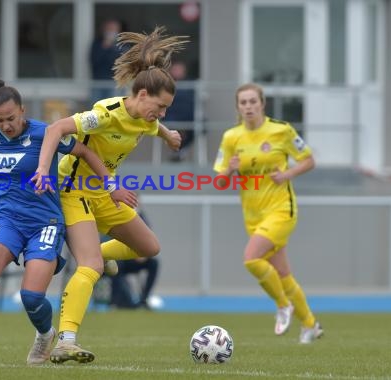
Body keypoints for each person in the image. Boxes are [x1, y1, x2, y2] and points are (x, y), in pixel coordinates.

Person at [32, 26, 187, 363]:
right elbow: (56, 129)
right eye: (160, 107)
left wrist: (168, 135)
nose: (161, 114)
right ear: (143, 95)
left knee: (149, 247)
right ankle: (66, 340)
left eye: (166, 110)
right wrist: (43, 170)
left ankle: (103, 256)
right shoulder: (104, 113)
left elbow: (150, 126)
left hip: (103, 192)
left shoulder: (146, 120)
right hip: (72, 192)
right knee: (88, 265)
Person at [0, 80, 117, 365]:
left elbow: (84, 153)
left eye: (10, 118)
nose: (5, 125)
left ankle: (45, 335)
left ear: (22, 110)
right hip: (7, 218)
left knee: (31, 297)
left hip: (45, 222)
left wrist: (110, 185)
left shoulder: (44, 134)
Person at [213, 83, 323, 344]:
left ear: (263, 104)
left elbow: (308, 159)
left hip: (281, 210)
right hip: (252, 216)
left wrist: (287, 174)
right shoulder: (231, 137)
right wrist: (229, 169)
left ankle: (283, 306)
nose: (249, 106)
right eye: (243, 103)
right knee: (283, 275)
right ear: (238, 108)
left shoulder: (281, 131)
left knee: (251, 259)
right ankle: (310, 324)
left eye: (253, 101)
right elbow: (219, 182)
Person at [163, 61, 195, 162]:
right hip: (170, 117)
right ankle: (177, 151)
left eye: (179, 70)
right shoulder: (165, 86)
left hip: (189, 117)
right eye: (175, 69)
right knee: (172, 129)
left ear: (184, 71)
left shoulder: (191, 86)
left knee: (199, 126)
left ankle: (179, 150)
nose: (177, 72)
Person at [89, 19, 124, 104]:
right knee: (96, 110)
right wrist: (104, 47)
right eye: (109, 29)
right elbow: (94, 61)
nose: (111, 32)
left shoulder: (122, 44)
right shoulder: (97, 43)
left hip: (114, 83)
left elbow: (120, 62)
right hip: (97, 83)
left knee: (112, 109)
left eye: (113, 29)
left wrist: (111, 47)